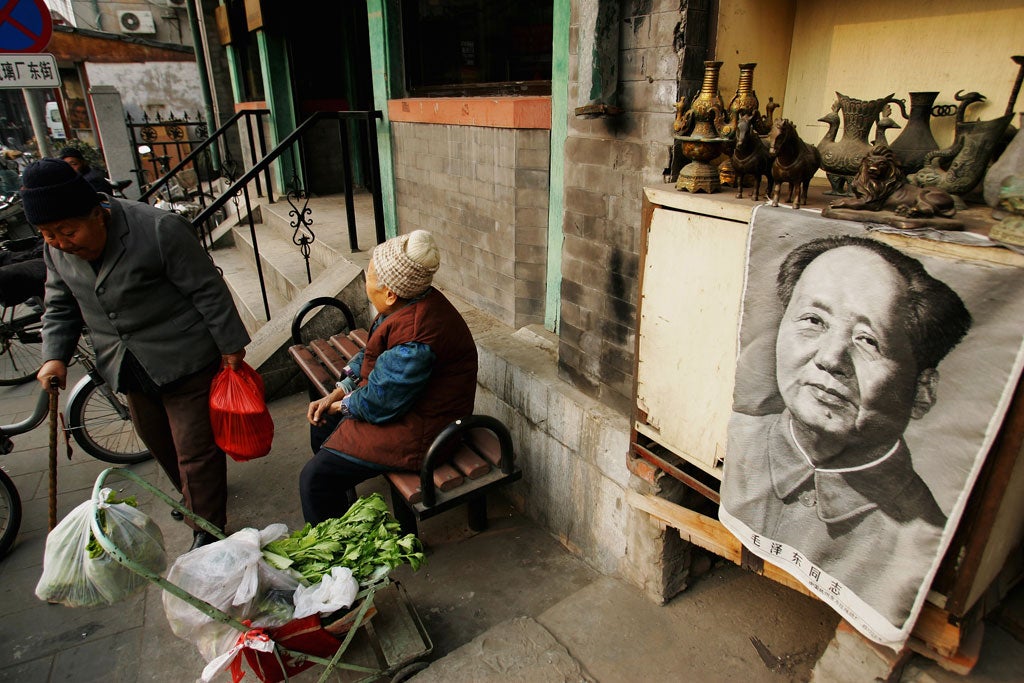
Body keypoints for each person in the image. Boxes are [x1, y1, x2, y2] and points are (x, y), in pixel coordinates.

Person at [720, 234, 972, 626]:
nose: (831, 357)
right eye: (813, 321)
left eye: (867, 340)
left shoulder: (917, 539)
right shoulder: (734, 441)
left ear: (922, 391)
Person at [25, 158, 251, 551]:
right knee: (157, 439)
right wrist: (53, 356)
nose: (62, 242)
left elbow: (206, 289)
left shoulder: (158, 229)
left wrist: (231, 346)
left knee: (194, 446)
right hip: (126, 363)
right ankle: (193, 497)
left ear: (98, 213)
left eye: (67, 230)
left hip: (184, 355)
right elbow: (60, 303)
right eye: (48, 235)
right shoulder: (57, 251)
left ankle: (208, 531)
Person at [299, 230, 478, 524]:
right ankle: (342, 510)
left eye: (369, 277)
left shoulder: (417, 339)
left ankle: (341, 561)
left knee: (314, 480)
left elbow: (380, 403)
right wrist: (337, 393)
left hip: (425, 433)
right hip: (407, 409)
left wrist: (339, 405)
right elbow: (372, 353)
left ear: (390, 293)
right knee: (321, 424)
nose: (366, 283)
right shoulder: (406, 303)